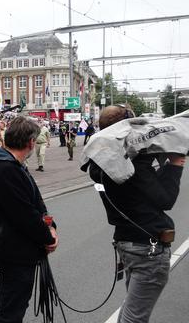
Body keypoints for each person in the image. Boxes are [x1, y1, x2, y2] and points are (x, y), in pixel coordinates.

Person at [84, 105, 185, 323]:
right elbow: (165, 199)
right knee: (134, 317)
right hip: (148, 247)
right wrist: (175, 165)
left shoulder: (100, 164)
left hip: (126, 242)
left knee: (132, 310)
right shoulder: (134, 166)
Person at [0, 116, 58, 323]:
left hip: (19, 249)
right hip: (14, 251)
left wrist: (51, 227)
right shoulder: (5, 170)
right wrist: (47, 238)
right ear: (31, 142)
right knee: (10, 311)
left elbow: (37, 202)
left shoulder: (15, 166)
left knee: (15, 304)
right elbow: (24, 215)